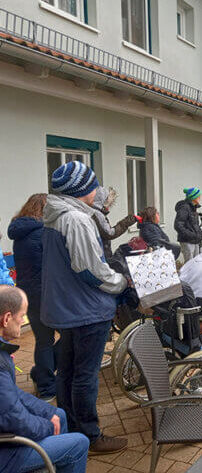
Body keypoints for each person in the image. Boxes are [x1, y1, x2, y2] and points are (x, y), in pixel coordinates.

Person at [41, 161, 128, 455]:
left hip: (66, 308)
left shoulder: (54, 215)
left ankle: (68, 428)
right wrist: (121, 282)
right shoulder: (76, 220)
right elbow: (90, 270)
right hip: (86, 310)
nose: (97, 189)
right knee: (84, 376)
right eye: (93, 184)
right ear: (82, 190)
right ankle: (89, 435)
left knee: (65, 371)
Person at [0, 285, 90, 473]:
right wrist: (47, 426)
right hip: (6, 454)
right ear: (7, 318)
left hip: (7, 440)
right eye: (21, 316)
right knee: (79, 444)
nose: (23, 320)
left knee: (60, 414)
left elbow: (14, 395)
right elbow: (12, 418)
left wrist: (48, 413)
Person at [8, 193, 57, 402]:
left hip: (30, 294)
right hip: (48, 294)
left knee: (43, 340)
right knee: (73, 336)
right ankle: (45, 380)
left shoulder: (19, 233)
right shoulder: (42, 233)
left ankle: (43, 379)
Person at [91, 186, 137, 259]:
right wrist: (128, 221)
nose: (108, 208)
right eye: (108, 204)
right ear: (102, 201)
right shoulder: (97, 214)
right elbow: (110, 233)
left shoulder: (93, 212)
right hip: (101, 255)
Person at [174, 187, 202, 262]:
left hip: (195, 240)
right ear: (194, 197)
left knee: (196, 263)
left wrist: (198, 235)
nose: (200, 197)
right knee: (189, 265)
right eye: (198, 196)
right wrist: (191, 235)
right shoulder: (184, 207)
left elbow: (194, 225)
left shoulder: (193, 208)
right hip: (187, 241)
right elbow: (178, 225)